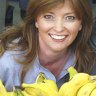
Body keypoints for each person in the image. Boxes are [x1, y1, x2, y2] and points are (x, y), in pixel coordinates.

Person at [0, 0, 96, 92]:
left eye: (70, 18)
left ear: (81, 24)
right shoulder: (8, 62)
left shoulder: (90, 60)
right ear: (36, 21)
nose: (59, 28)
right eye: (48, 17)